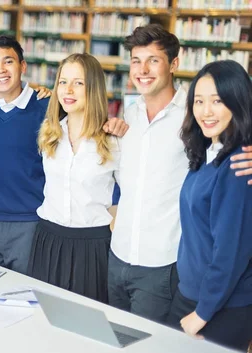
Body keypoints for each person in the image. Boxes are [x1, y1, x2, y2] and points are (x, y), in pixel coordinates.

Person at [107, 24, 252, 323]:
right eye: (136, 61)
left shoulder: (196, 115)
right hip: (117, 255)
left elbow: (236, 127)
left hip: (163, 265)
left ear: (174, 64)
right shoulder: (129, 114)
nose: (143, 70)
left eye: (153, 60)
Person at [0, 36, 128, 275]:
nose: (0, 70)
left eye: (8, 61)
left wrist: (112, 124)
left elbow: (84, 117)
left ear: (23, 66)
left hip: (33, 221)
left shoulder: (48, 107)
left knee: (27, 292)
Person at [166, 60, 252, 351]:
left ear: (237, 102)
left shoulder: (238, 166)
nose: (206, 111)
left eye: (217, 101)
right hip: (193, 294)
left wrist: (201, 314)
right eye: (199, 101)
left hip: (219, 307)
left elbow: (230, 251)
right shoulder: (206, 152)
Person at [27, 53, 120, 303]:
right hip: (48, 239)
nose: (68, 90)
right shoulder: (50, 132)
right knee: (43, 320)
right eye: (63, 81)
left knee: (87, 326)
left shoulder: (112, 140)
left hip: (91, 246)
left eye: (78, 82)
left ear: (94, 87)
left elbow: (132, 194)